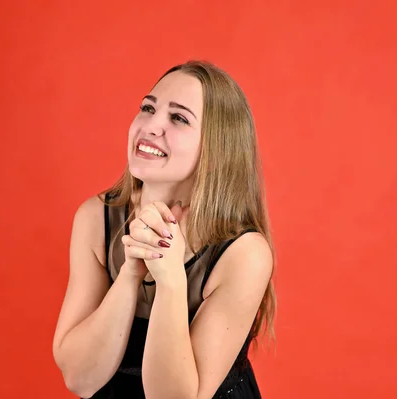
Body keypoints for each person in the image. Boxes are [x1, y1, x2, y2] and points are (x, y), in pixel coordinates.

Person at [52, 60, 276, 399]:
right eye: (147, 108)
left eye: (179, 118)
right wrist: (131, 273)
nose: (150, 125)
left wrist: (171, 278)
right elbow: (80, 378)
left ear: (216, 150)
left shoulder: (244, 254)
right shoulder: (95, 218)